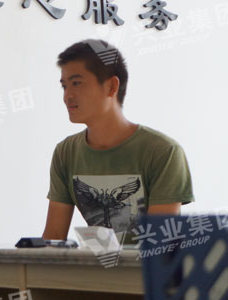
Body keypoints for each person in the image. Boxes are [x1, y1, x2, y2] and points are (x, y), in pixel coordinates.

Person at [42, 39, 193, 243]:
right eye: (64, 86)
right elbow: (53, 238)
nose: (67, 96)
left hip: (144, 264)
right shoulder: (65, 152)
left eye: (77, 83)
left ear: (111, 86)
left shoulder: (163, 151)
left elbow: (160, 245)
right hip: (97, 262)